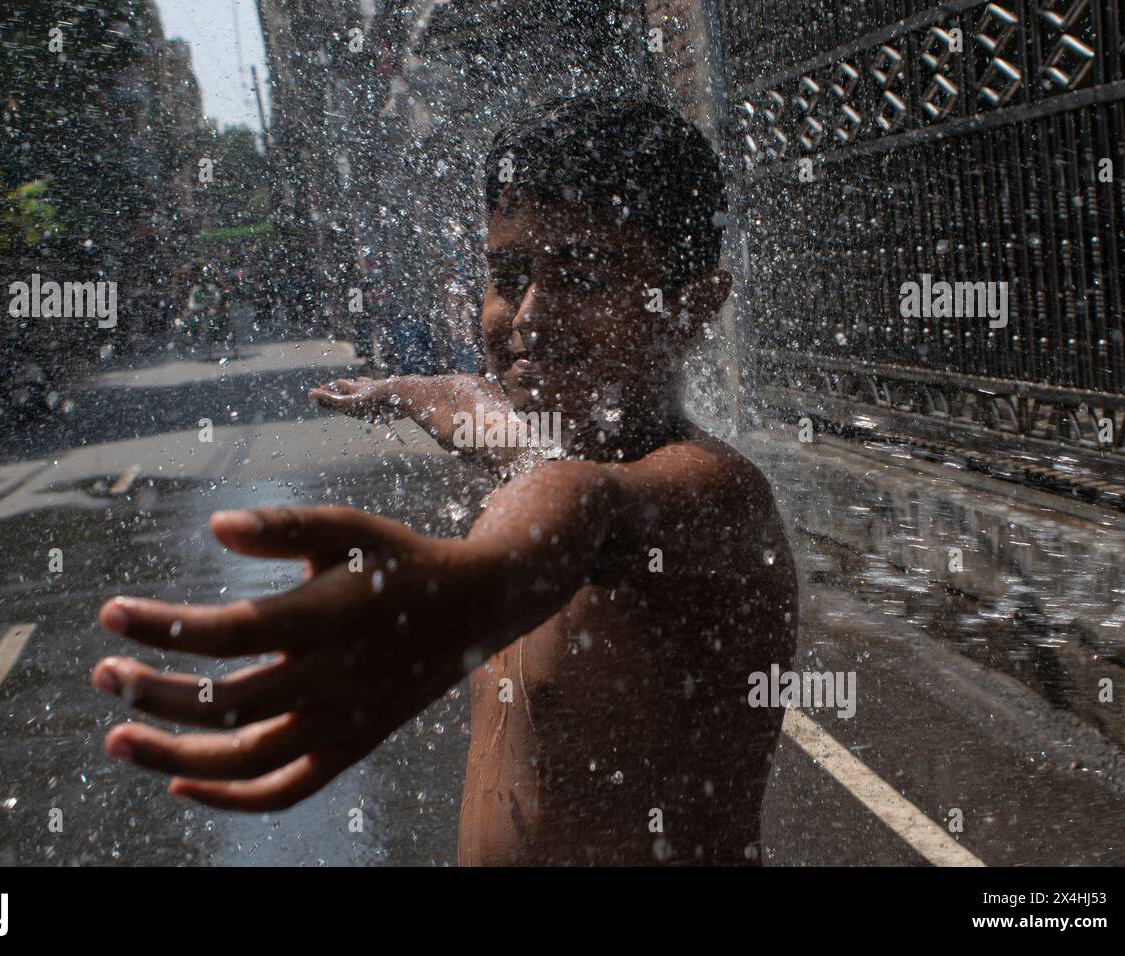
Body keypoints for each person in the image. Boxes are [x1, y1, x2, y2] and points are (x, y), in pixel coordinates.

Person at [90, 95, 798, 865]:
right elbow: (466, 403)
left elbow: (581, 504)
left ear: (693, 309)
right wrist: (394, 391)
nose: (530, 314)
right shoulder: (535, 439)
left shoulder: (718, 493)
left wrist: (470, 581)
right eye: (509, 273)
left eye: (584, 275)